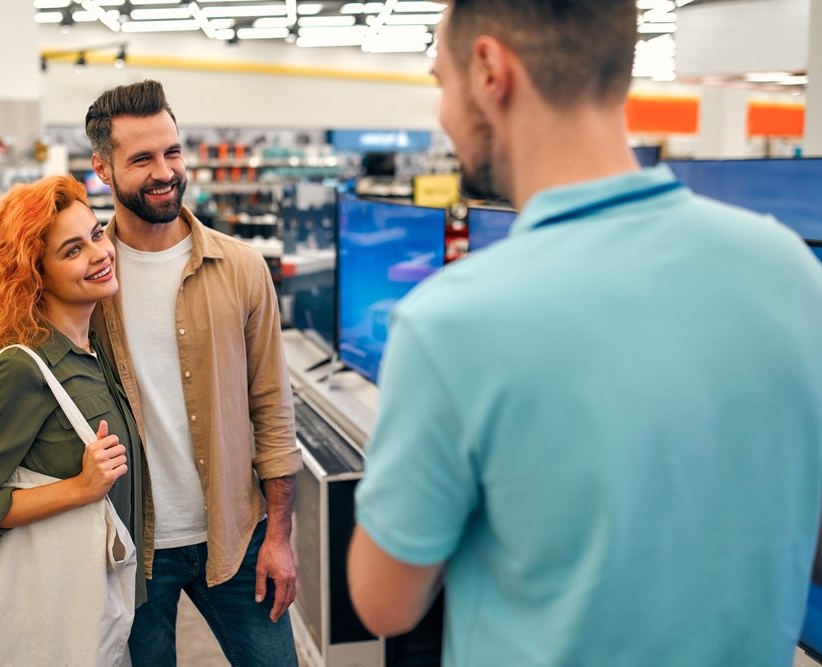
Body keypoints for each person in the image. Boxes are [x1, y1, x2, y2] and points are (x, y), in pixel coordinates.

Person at [347, 2, 822, 665]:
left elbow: (383, 602)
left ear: (489, 70)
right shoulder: (792, 272)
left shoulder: (452, 324)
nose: (444, 116)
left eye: (439, 82)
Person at [84, 79, 302, 666]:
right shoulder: (84, 280)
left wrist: (279, 537)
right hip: (130, 547)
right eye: (142, 159)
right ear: (103, 169)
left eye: (172, 152)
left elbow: (273, 413)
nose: (164, 171)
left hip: (236, 538)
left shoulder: (241, 268)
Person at [0, 174, 152, 611]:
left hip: (110, 594)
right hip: (63, 603)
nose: (100, 254)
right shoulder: (22, 368)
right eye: (73, 250)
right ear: (35, 276)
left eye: (96, 235)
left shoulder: (93, 348)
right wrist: (80, 487)